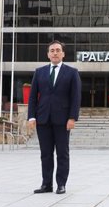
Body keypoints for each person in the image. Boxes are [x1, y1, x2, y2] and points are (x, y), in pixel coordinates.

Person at [27, 40, 81, 194]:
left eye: (58, 50)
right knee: (45, 154)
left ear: (63, 53)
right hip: (43, 119)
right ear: (48, 54)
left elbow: (75, 97)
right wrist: (31, 116)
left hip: (63, 120)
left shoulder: (72, 72)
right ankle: (46, 184)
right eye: (52, 50)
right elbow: (32, 97)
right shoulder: (40, 72)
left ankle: (61, 184)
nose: (55, 53)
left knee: (62, 153)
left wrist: (72, 118)